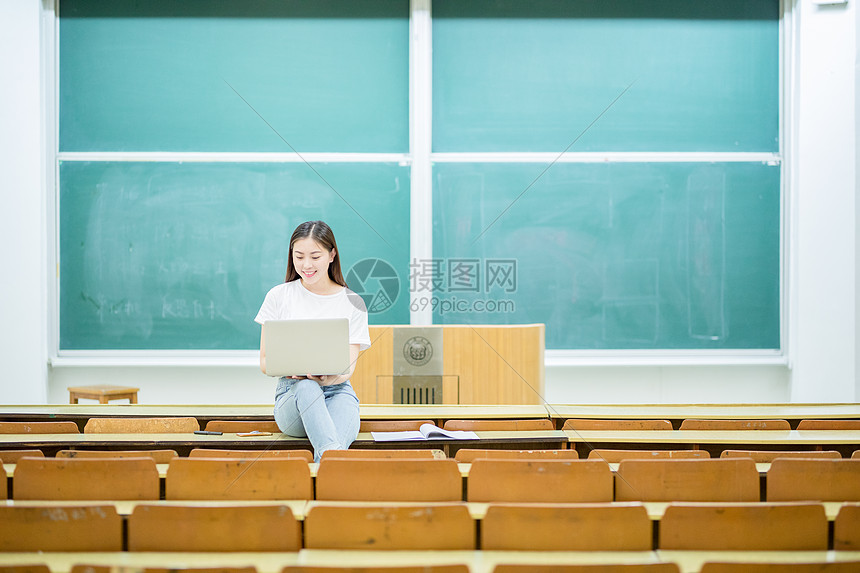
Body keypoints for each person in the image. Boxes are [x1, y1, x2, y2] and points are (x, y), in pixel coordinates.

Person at [255, 221, 370, 461]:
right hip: (293, 396)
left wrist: (327, 378)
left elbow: (347, 368)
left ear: (332, 255)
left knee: (331, 450)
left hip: (338, 392)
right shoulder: (278, 296)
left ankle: (323, 481)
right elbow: (265, 362)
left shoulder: (353, 302)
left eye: (315, 256)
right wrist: (296, 371)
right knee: (307, 387)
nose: (306, 265)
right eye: (299, 256)